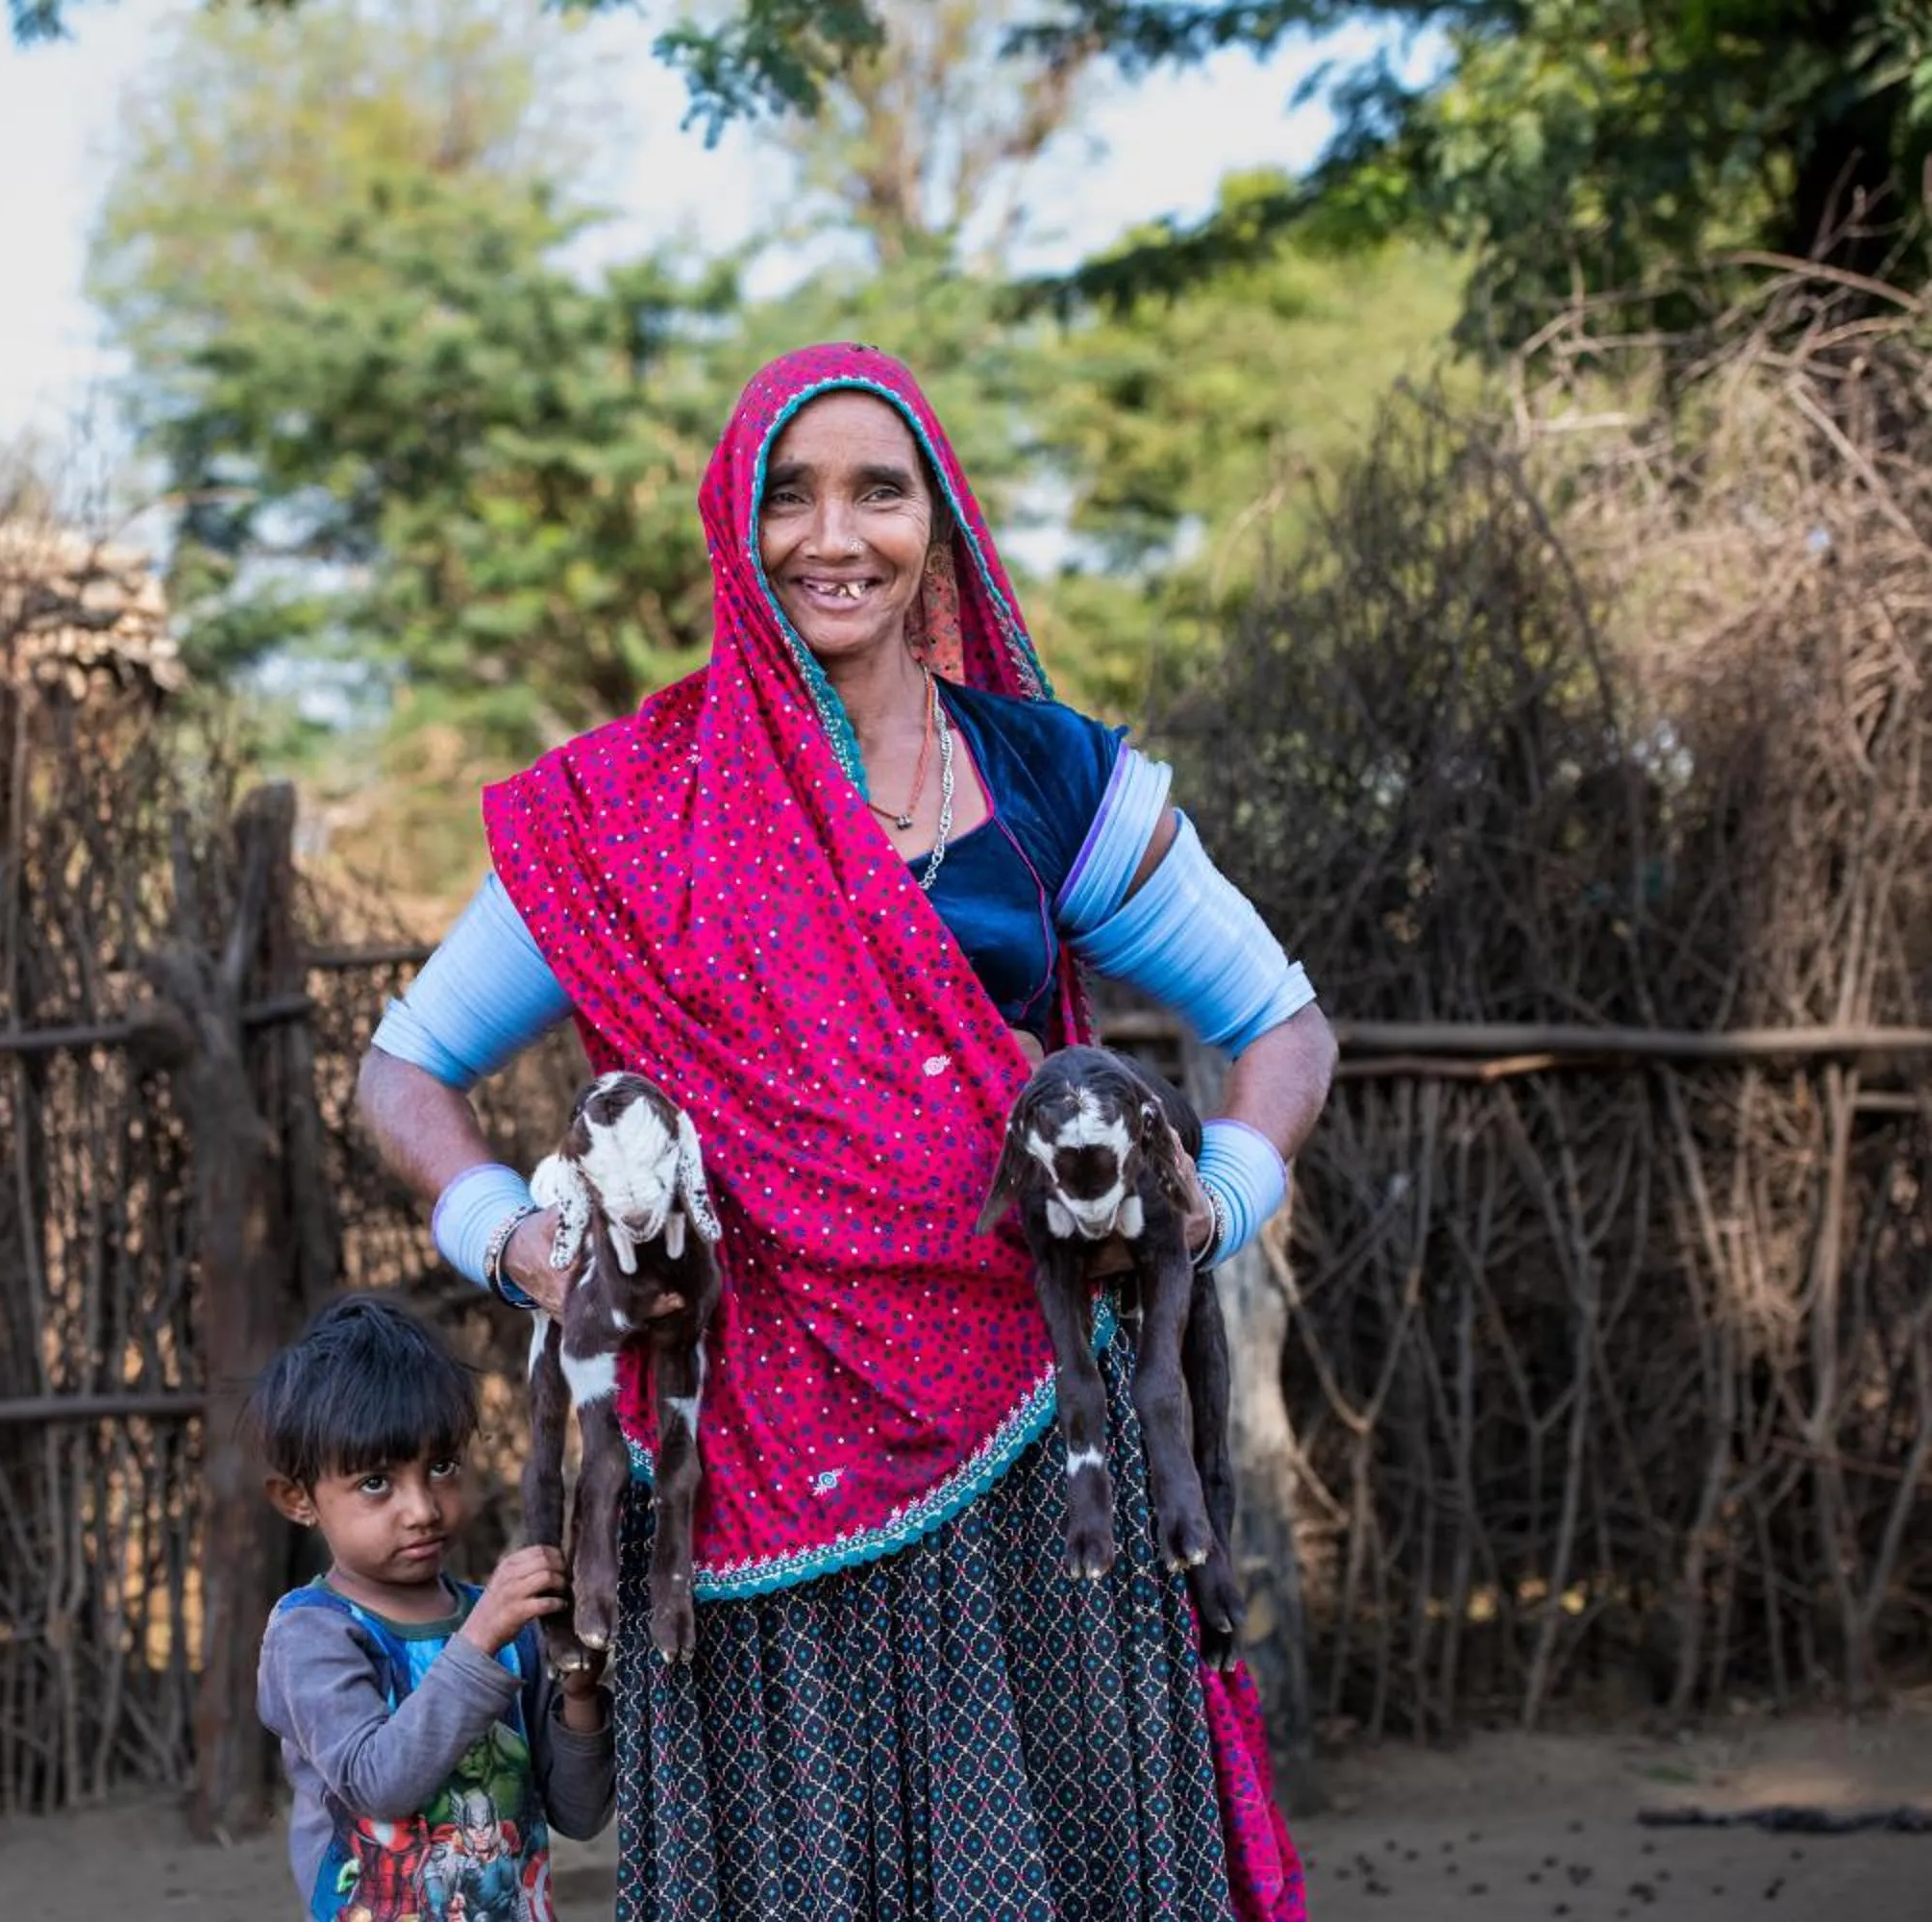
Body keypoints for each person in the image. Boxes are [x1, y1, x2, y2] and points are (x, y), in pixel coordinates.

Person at [354, 344, 1336, 1921]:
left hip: (1042, 1458)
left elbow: (1282, 1024)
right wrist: (531, 1254)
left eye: (880, 491)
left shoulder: (1042, 776)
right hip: (747, 1489)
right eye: (789, 495)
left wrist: (1212, 1202)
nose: (837, 536)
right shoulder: (631, 807)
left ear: (935, 525)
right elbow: (401, 1073)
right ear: (736, 531)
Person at [254, 1292, 616, 1921]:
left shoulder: (502, 1622)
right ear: (298, 1500)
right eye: (376, 1483)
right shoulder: (312, 1634)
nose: (422, 1508)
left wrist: (580, 1695)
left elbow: (579, 1816)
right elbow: (378, 1783)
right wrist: (477, 1641)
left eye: (442, 1467)